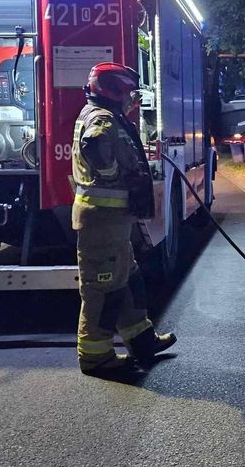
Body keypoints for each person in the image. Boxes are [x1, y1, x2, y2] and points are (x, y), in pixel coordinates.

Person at [72, 62, 176, 375]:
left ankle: (141, 340)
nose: (132, 99)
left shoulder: (104, 114)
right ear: (114, 90)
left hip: (112, 221)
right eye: (128, 92)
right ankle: (96, 357)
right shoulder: (102, 118)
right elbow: (95, 146)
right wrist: (113, 173)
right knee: (103, 288)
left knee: (127, 280)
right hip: (102, 221)